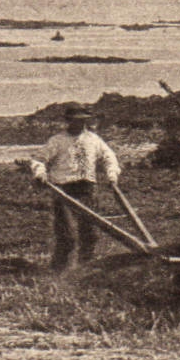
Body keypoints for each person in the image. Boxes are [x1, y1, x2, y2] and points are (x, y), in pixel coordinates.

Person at [28, 104, 122, 271]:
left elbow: (109, 157)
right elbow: (39, 159)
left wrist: (112, 175)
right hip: (64, 191)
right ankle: (58, 272)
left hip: (87, 190)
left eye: (83, 121)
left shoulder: (94, 139)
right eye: (76, 121)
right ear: (68, 121)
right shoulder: (57, 141)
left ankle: (84, 270)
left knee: (90, 235)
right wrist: (40, 173)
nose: (80, 124)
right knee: (68, 236)